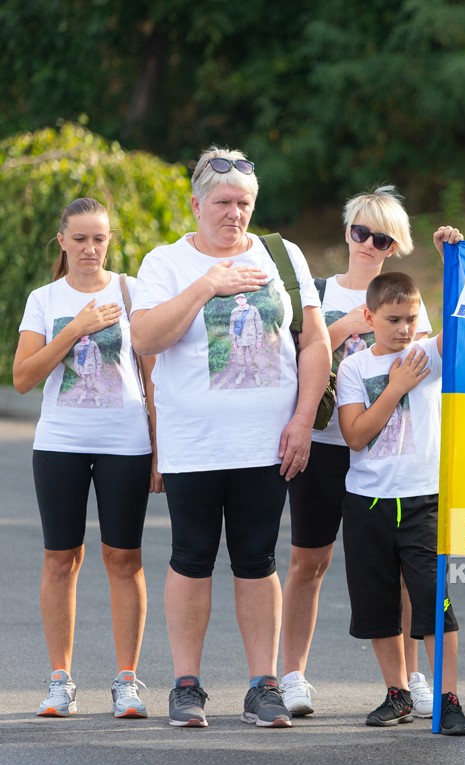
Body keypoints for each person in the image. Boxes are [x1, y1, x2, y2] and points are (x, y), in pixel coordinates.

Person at [130, 147, 332, 728]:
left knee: (257, 557)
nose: (234, 213)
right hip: (194, 441)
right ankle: (187, 685)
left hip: (266, 442)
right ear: (196, 204)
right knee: (191, 556)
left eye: (244, 202)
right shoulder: (164, 263)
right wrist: (207, 286)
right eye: (222, 202)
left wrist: (300, 420)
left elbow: (313, 343)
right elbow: (145, 338)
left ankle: (263, 684)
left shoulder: (283, 256)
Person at [279, 186, 440, 719]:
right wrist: (339, 328)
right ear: (346, 232)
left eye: (382, 237)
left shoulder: (409, 306)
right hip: (327, 445)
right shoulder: (318, 294)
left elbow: (430, 373)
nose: (369, 244)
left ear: (395, 246)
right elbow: (289, 366)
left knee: (401, 568)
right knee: (309, 560)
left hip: (393, 454)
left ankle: (410, 679)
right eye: (360, 232)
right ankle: (293, 674)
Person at [13, 198, 161, 718]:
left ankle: (127, 682)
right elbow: (24, 377)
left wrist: (159, 451)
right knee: (61, 559)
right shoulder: (43, 299)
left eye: (99, 238)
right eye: (79, 238)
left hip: (125, 440)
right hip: (60, 443)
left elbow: (150, 377)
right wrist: (75, 327)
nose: (90, 248)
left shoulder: (132, 291)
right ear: (62, 241)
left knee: (124, 559)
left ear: (109, 240)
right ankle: (60, 681)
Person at [337, 265, 465, 735]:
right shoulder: (354, 367)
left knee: (434, 601)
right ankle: (397, 692)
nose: (403, 329)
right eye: (393, 319)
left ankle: (447, 697)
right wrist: (394, 388)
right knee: (377, 606)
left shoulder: (425, 358)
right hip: (367, 504)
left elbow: (461, 323)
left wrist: (449, 259)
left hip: (423, 502)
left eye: (411, 318)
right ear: (370, 317)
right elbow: (355, 435)